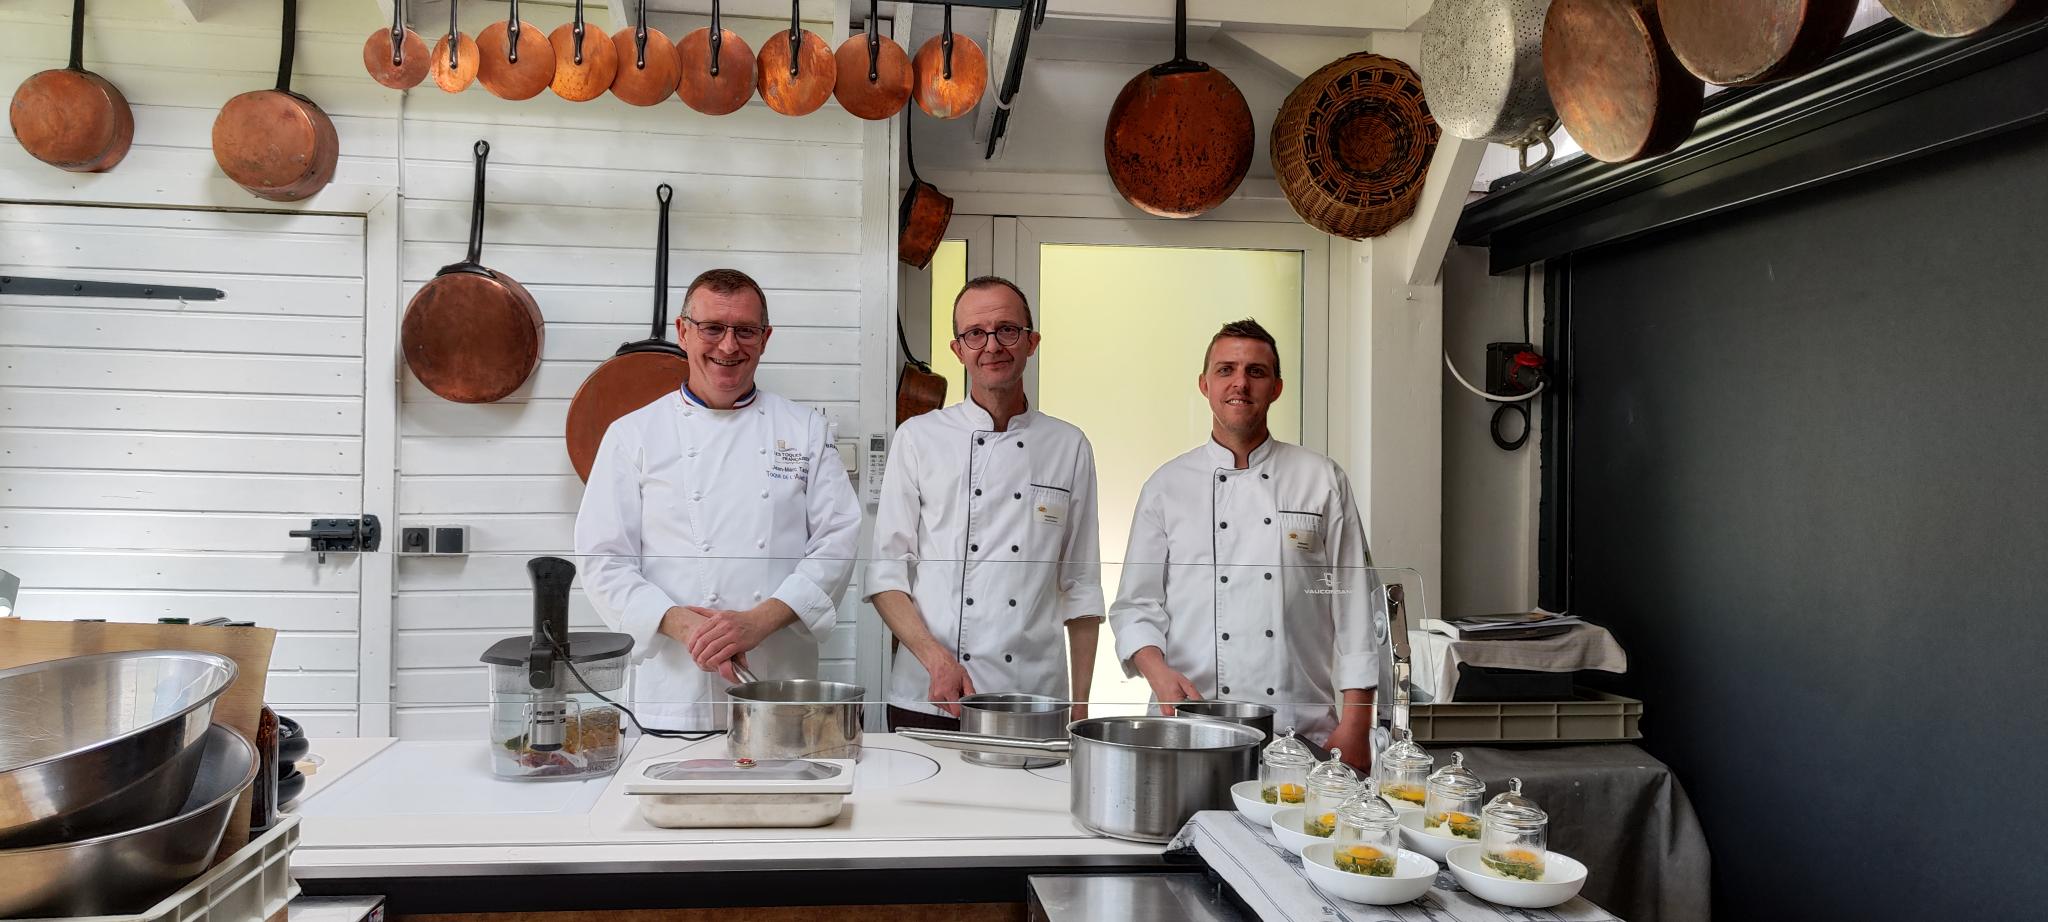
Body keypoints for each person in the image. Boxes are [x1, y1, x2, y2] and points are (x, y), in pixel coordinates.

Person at [575, 268, 862, 731]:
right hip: (673, 686)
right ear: (683, 331)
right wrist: (686, 627)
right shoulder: (632, 435)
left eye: (745, 330)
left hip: (776, 678)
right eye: (712, 328)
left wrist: (758, 621)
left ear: (765, 338)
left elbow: (837, 544)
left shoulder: (804, 431)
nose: (729, 346)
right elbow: (603, 560)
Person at [1109, 318, 1378, 767]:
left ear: (1276, 387)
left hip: (1301, 728)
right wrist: (1158, 676)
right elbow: (1135, 606)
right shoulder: (1166, 485)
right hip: (1190, 725)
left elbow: (1354, 608)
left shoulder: (1321, 479)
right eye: (1226, 369)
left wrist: (1356, 724)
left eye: (1256, 371)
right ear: (1204, 384)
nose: (1240, 382)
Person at [867, 276, 1105, 730]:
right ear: (958, 349)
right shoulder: (919, 438)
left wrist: (1082, 708)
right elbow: (886, 572)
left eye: (1007, 330)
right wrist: (936, 661)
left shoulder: (1068, 445)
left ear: (1031, 342)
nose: (991, 345)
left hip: (1033, 698)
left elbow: (1081, 586)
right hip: (930, 696)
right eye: (975, 333)